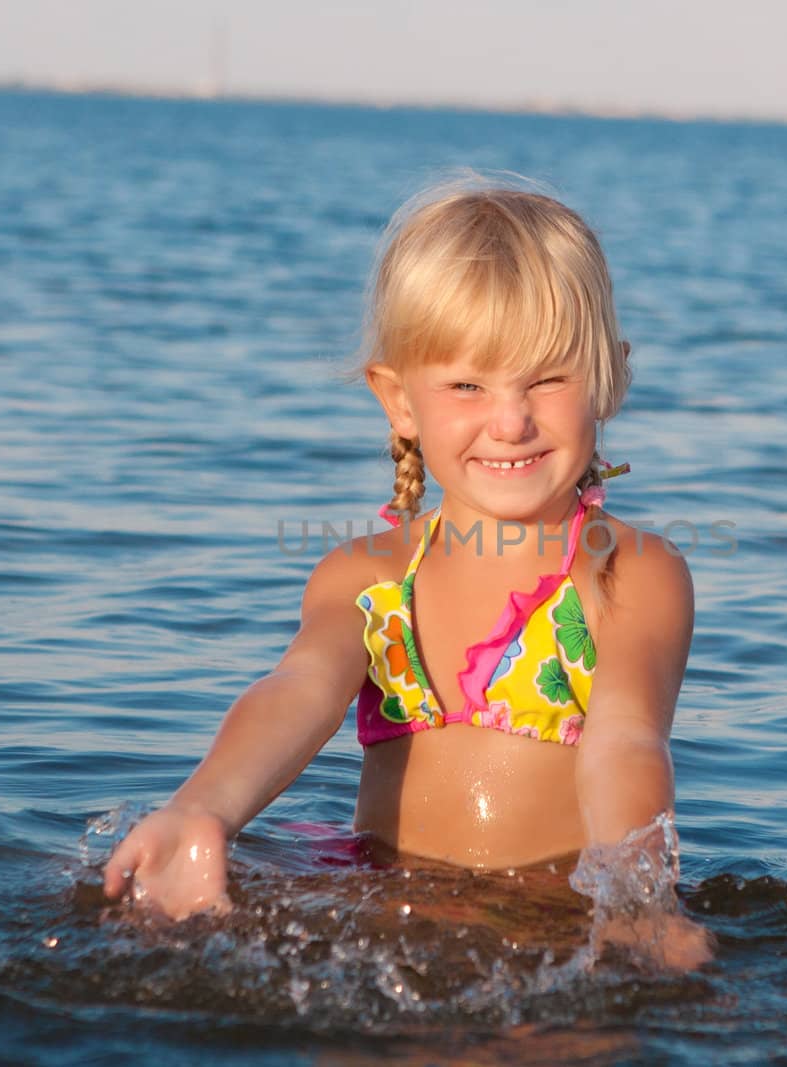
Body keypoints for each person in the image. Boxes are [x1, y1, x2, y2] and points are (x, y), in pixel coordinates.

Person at [102, 178, 710, 968]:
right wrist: (201, 810)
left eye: (547, 378)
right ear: (397, 400)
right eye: (467, 384)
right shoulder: (367, 576)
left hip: (550, 918)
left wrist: (638, 900)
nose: (511, 419)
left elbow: (626, 741)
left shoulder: (629, 575)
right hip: (379, 904)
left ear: (610, 377)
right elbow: (298, 690)